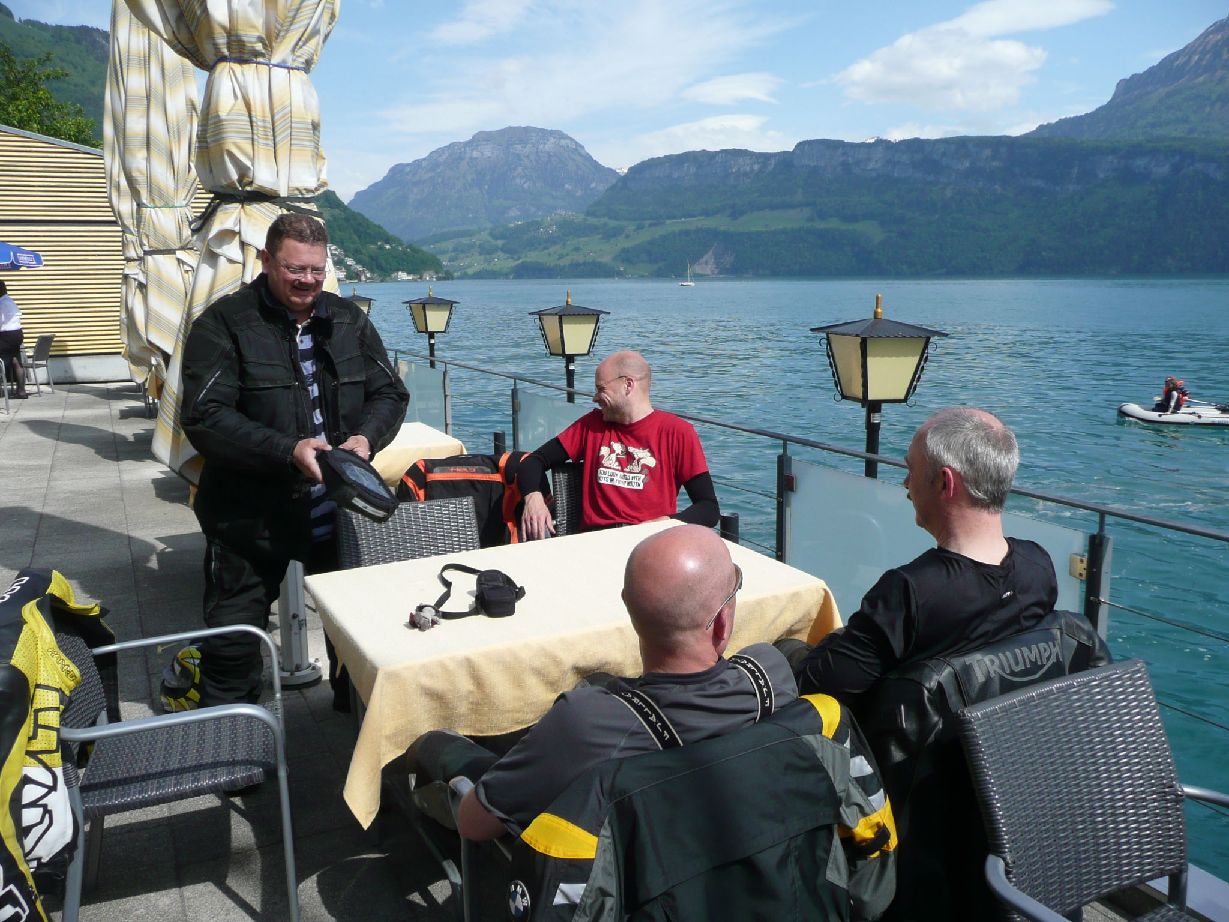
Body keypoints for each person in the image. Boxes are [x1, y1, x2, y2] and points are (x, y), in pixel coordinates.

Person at [180, 213, 408, 708]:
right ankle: (236, 736)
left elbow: (390, 393)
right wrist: (288, 450)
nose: (308, 280)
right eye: (295, 269)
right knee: (232, 643)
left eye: (316, 270)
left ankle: (355, 720)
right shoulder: (223, 324)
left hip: (336, 508)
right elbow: (203, 417)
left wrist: (366, 439)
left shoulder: (347, 319)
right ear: (266, 261)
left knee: (356, 633)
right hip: (249, 517)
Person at [451, 524, 794, 840]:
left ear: (628, 606)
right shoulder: (769, 676)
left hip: (615, 876)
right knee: (601, 683)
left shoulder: (584, 725)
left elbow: (473, 825)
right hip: (739, 850)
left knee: (441, 746)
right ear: (722, 622)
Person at [798, 407, 1059, 698]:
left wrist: (832, 639)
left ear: (945, 483)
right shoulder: (1038, 566)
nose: (906, 483)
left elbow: (820, 686)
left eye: (911, 470)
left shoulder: (909, 594)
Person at [516, 350, 718, 538]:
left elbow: (708, 508)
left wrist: (667, 523)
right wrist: (533, 498)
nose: (595, 398)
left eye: (601, 389)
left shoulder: (677, 432)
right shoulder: (591, 425)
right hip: (598, 539)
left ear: (628, 385)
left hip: (648, 540)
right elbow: (533, 462)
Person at [0, 280, 28, 399]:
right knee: (16, 360)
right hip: (17, 334)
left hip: (6, 335)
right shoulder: (10, 301)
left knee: (3, 361)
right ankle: (21, 391)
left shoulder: (1, 303)